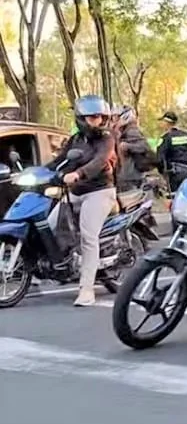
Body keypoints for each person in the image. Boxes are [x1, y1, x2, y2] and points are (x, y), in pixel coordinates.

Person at [46, 95, 118, 307]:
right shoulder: (75, 140)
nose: (98, 121)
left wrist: (78, 174)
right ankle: (62, 267)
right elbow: (59, 161)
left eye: (100, 117)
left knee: (88, 237)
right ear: (81, 119)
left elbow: (100, 161)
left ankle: (87, 289)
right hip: (76, 192)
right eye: (92, 117)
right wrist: (39, 172)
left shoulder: (107, 138)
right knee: (50, 225)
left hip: (100, 192)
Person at [111, 106, 156, 191]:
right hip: (126, 175)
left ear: (124, 117)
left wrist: (127, 146)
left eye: (116, 117)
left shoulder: (131, 130)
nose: (113, 120)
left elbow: (144, 146)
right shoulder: (122, 131)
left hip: (131, 175)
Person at [156, 111, 187, 193]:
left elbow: (159, 159)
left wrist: (163, 173)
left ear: (167, 123)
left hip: (175, 175)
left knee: (176, 197)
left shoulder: (166, 138)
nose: (161, 124)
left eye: (163, 122)